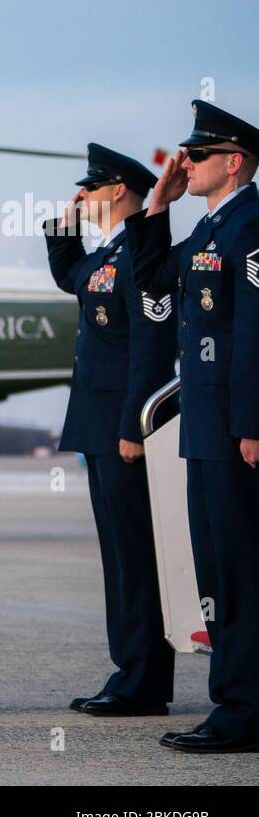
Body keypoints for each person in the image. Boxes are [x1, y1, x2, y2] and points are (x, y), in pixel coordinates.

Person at [126, 101, 259, 752]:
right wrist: (159, 203)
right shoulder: (208, 230)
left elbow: (258, 331)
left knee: (240, 572)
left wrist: (254, 422)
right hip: (205, 429)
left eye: (198, 156)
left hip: (239, 430)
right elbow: (149, 277)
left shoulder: (252, 227)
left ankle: (243, 711)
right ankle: (232, 705)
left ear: (233, 163)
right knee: (216, 573)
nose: (187, 164)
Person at [44, 144, 176, 717]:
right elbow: (69, 276)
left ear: (119, 190)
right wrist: (64, 223)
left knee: (135, 555)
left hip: (123, 427)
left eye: (91, 190)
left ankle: (143, 680)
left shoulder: (140, 254)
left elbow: (150, 347)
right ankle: (130, 671)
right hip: (99, 425)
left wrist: (134, 426)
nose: (85, 197)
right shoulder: (110, 254)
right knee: (118, 556)